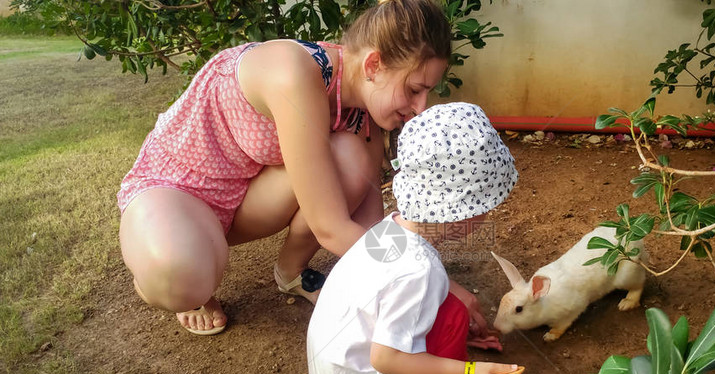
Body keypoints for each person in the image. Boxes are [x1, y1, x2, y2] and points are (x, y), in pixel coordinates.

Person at [116, 0, 461, 335]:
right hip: (177, 187)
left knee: (351, 158)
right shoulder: (294, 72)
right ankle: (169, 276)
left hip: (243, 195)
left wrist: (419, 294)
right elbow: (332, 229)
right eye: (416, 89)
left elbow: (367, 226)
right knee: (180, 277)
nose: (420, 107)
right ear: (373, 65)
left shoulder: (362, 110)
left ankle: (291, 272)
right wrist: (438, 287)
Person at [306, 102, 521, 374]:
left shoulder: (387, 230)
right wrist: (469, 373)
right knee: (451, 314)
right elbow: (386, 358)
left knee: (447, 310)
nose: (486, 215)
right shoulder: (420, 270)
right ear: (461, 210)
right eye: (485, 205)